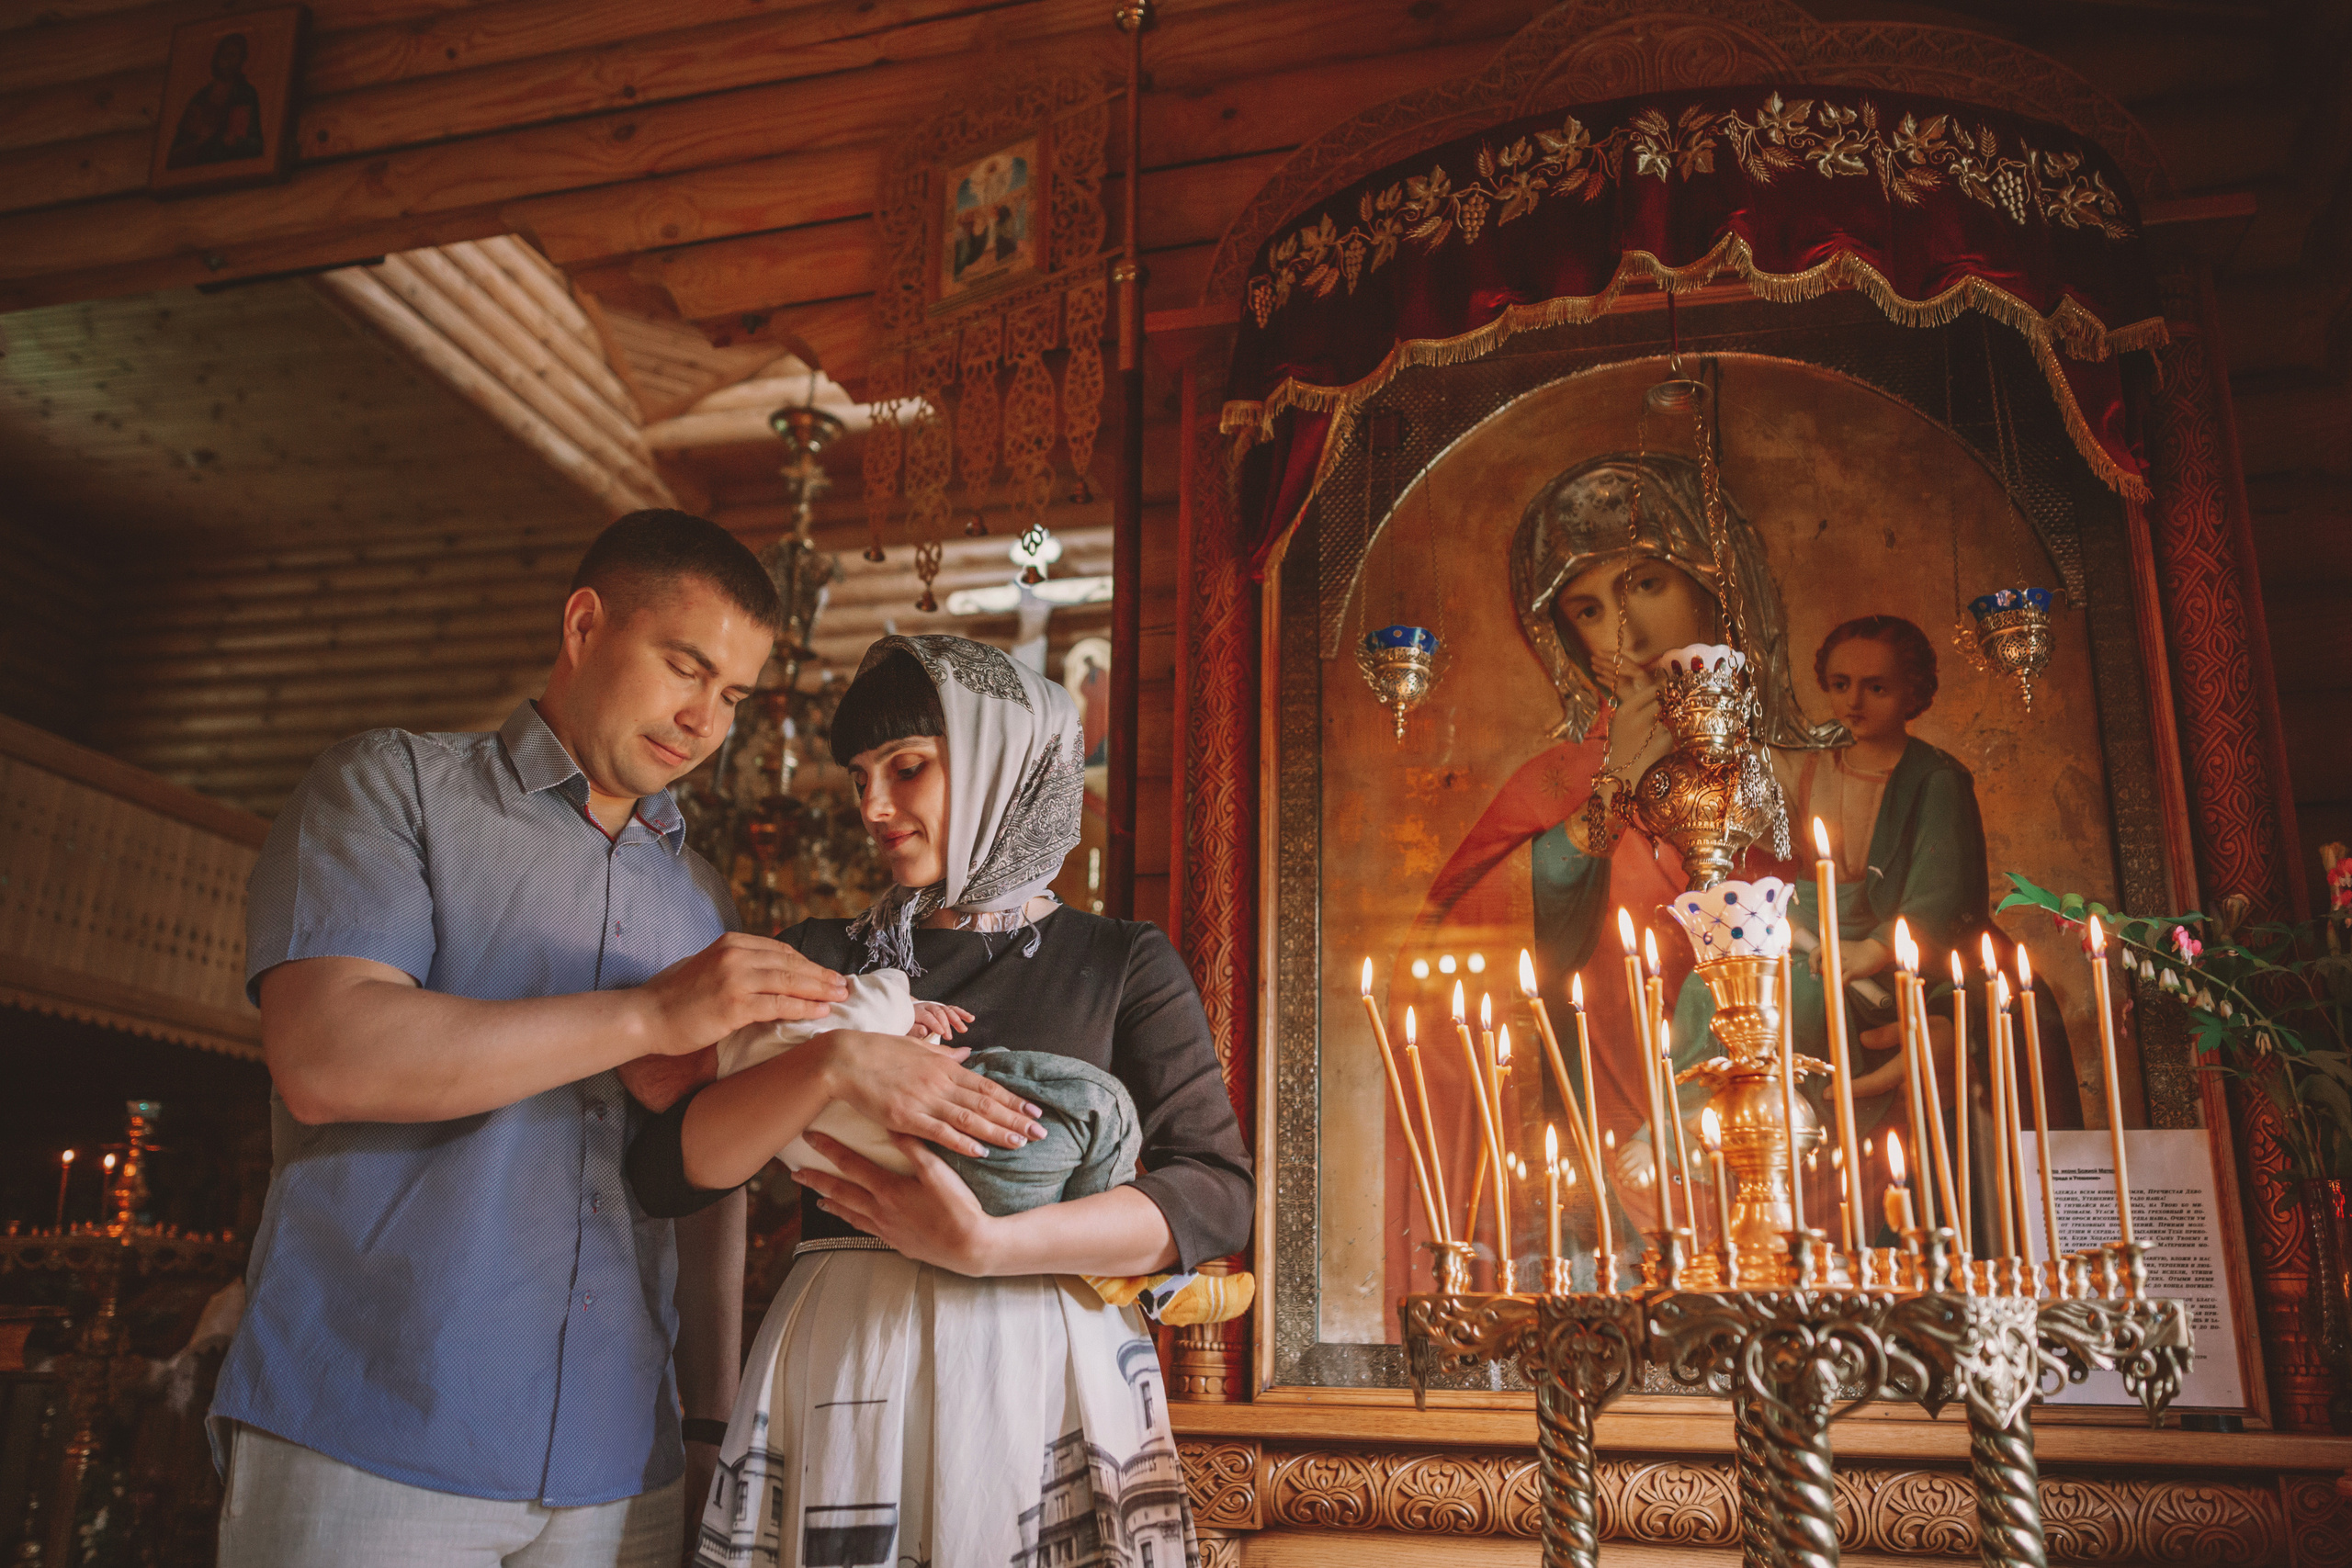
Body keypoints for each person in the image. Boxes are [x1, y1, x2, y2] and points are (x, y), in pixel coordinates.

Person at [213, 513, 1037, 1567]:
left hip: (622, 1463)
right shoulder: (392, 789)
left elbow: (703, 1179)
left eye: (734, 695)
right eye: (684, 667)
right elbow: (328, 1061)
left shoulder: (700, 898)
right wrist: (654, 1016)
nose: (704, 721)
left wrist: (708, 1420)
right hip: (369, 1430)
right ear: (585, 624)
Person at [627, 634, 1253, 1568]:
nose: (873, 807)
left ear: (1009, 765)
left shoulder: (1120, 962)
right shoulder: (821, 956)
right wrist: (831, 1064)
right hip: (849, 1359)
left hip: (1045, 1364)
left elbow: (1213, 1193)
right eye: (859, 778)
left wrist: (989, 1247)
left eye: (907, 768)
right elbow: (674, 1171)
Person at [1404, 454, 1838, 1233]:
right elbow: (1441, 961)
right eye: (1588, 609)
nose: (1625, 630)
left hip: (1792, 1153)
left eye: (1645, 583)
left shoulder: (1805, 772)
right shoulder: (1553, 782)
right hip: (1611, 1165)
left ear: (1716, 583)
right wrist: (1607, 793)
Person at [167, 32, 266, 168]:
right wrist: (197, 142)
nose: (227, 61)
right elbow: (176, 152)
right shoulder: (200, 98)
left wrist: (235, 142)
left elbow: (256, 145)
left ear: (242, 60)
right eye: (223, 55)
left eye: (233, 55)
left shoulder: (244, 95)